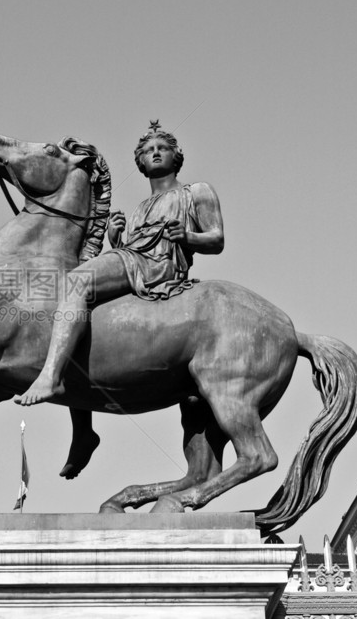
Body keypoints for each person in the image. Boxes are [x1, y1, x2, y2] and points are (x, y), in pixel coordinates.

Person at [13, 120, 225, 479]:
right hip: (132, 261)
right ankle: (83, 430)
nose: (154, 152)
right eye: (147, 150)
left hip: (159, 267)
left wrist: (187, 235)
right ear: (140, 163)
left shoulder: (197, 192)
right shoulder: (142, 206)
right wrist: (116, 240)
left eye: (162, 147)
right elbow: (129, 250)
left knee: (76, 281)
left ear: (177, 156)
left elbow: (217, 239)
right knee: (81, 325)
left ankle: (50, 377)